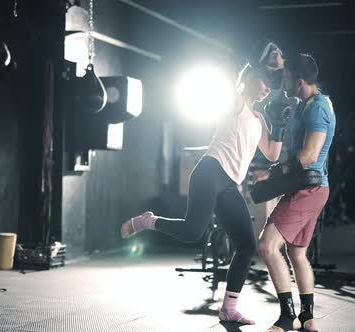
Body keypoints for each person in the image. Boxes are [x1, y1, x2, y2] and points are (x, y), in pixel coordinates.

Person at [120, 41, 288, 325]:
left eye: (270, 85)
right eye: (263, 81)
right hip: (209, 172)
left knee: (247, 245)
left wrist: (281, 125)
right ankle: (148, 221)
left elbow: (272, 153)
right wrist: (265, 58)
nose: (266, 88)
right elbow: (239, 80)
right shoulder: (235, 102)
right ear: (251, 77)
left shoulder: (260, 118)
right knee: (192, 232)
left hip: (230, 185)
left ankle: (229, 308)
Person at [255, 53, 335, 332]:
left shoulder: (317, 108)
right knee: (296, 253)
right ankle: (308, 317)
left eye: (287, 78)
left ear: (299, 81)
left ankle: (287, 317)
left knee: (267, 246)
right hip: (307, 188)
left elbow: (310, 155)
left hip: (307, 189)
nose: (282, 82)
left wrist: (273, 172)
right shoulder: (307, 103)